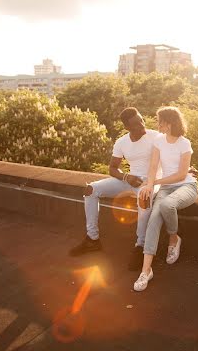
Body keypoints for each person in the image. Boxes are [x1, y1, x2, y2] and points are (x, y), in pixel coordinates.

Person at [68, 107, 161, 270]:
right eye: (136, 123)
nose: (141, 124)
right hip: (130, 180)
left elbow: (174, 156)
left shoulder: (156, 137)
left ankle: (141, 247)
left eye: (141, 120)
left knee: (144, 198)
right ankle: (92, 239)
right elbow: (112, 168)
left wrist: (186, 170)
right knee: (90, 190)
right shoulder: (122, 142)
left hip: (150, 182)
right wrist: (126, 177)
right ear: (127, 128)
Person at [133, 106, 198, 292]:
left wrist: (157, 182)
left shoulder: (184, 143)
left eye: (159, 120)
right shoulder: (159, 141)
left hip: (186, 186)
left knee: (167, 205)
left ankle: (173, 238)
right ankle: (146, 271)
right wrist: (149, 185)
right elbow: (153, 166)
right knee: (153, 220)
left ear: (168, 123)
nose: (157, 123)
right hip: (165, 188)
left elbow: (181, 175)